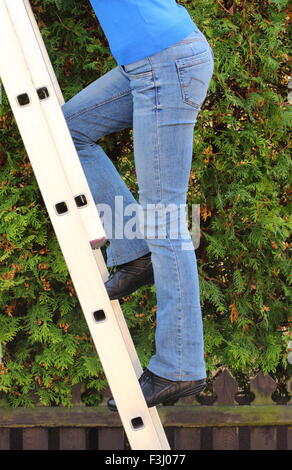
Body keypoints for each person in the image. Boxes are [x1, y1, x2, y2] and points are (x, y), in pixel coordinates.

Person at [61, 0, 214, 411]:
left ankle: (179, 366)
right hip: (147, 64)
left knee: (164, 219)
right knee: (68, 132)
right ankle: (134, 251)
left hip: (167, 64)